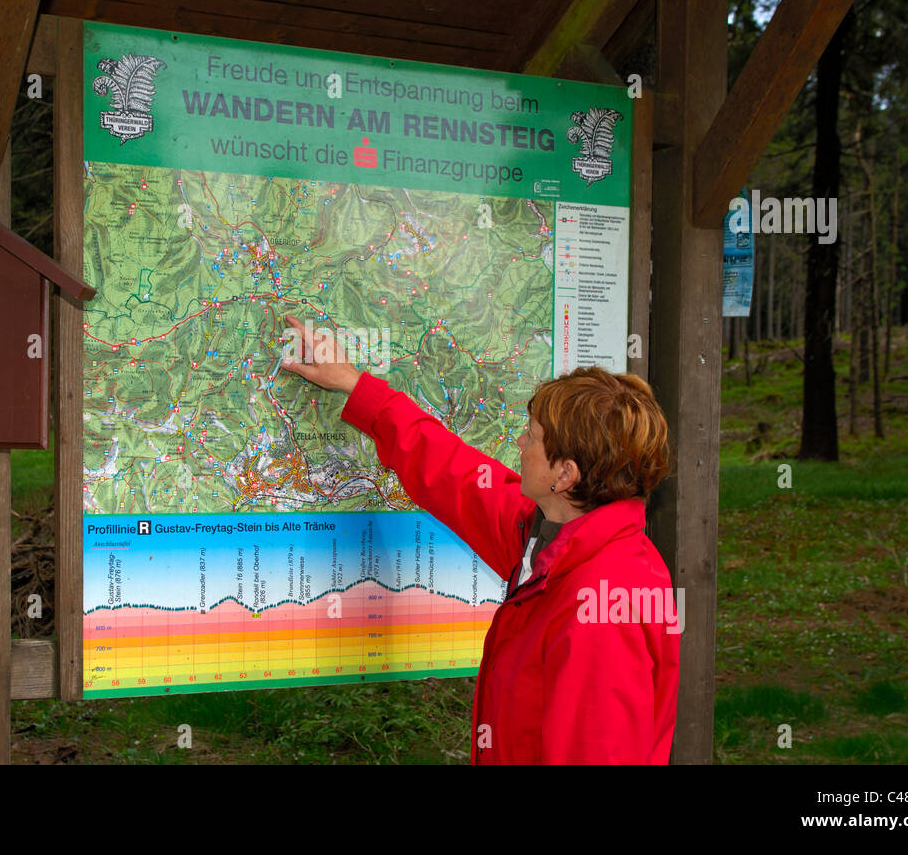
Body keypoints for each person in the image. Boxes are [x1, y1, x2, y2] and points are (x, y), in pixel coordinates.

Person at [278, 314, 679, 764]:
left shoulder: (602, 612)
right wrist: (355, 385)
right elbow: (457, 476)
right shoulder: (554, 538)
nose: (520, 443)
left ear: (564, 474)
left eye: (533, 436)